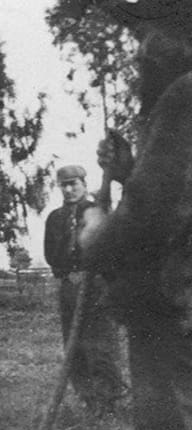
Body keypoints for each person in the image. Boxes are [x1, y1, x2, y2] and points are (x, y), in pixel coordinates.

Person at [80, 0, 192, 430]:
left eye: (148, 33)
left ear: (178, 36)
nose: (139, 49)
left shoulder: (184, 95)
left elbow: (151, 217)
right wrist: (128, 171)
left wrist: (96, 240)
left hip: (173, 316)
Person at [41, 164, 125, 416]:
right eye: (64, 185)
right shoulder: (55, 218)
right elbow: (50, 253)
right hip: (68, 286)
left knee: (99, 344)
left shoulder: (96, 211)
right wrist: (66, 272)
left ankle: (108, 400)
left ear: (84, 184)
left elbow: (110, 251)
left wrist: (92, 274)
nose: (69, 190)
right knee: (74, 346)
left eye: (73, 184)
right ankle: (88, 399)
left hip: (95, 287)